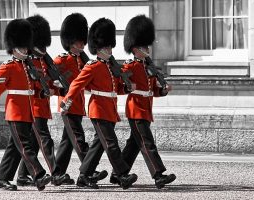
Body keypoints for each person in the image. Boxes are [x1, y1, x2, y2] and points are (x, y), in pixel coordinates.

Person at [60, 17, 137, 189]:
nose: (109, 49)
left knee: (99, 145)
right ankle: (122, 175)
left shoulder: (109, 67)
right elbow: (76, 84)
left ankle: (84, 175)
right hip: (98, 109)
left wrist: (128, 89)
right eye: (106, 47)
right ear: (97, 48)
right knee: (111, 143)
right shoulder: (92, 66)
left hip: (109, 109)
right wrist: (67, 101)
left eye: (110, 46)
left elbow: (115, 89)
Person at [109, 15, 176, 189]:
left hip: (146, 108)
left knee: (134, 144)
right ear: (135, 48)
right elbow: (117, 85)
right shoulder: (129, 66)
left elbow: (152, 90)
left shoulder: (149, 67)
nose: (147, 49)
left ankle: (117, 174)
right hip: (136, 108)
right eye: (143, 46)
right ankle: (158, 174)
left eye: (147, 46)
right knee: (147, 142)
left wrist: (163, 90)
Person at [0, 18, 51, 191]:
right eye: (22, 47)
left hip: (28, 111)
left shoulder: (28, 65)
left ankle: (2, 178)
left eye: (25, 46)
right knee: (25, 145)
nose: (25, 49)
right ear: (13, 48)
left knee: (14, 147)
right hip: (15, 112)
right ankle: (39, 174)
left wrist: (44, 91)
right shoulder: (7, 66)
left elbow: (34, 87)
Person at [54, 13, 107, 185]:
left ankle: (58, 174)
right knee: (78, 138)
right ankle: (89, 170)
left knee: (67, 142)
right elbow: (49, 79)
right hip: (67, 106)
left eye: (83, 41)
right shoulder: (60, 60)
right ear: (70, 41)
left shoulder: (83, 60)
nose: (82, 44)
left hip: (79, 105)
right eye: (79, 41)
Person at [16, 14, 66, 187]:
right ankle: (56, 172)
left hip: (42, 106)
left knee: (34, 142)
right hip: (33, 106)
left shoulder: (44, 60)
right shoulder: (28, 61)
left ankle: (22, 176)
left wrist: (60, 88)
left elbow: (51, 81)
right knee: (45, 139)